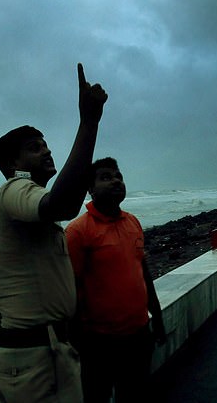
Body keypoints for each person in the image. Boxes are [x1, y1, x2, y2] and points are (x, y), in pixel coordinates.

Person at [0, 63, 107, 403]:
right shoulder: (13, 190)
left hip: (47, 348)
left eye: (45, 144)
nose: (47, 150)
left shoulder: (31, 205)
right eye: (35, 147)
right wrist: (89, 123)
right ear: (13, 166)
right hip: (30, 356)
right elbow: (65, 205)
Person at [65, 157, 167, 403]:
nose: (116, 181)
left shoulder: (132, 222)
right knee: (97, 397)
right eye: (106, 177)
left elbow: (143, 272)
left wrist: (158, 317)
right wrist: (77, 342)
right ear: (90, 189)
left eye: (118, 176)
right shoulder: (78, 231)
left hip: (139, 335)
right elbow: (70, 289)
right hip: (99, 342)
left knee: (135, 395)